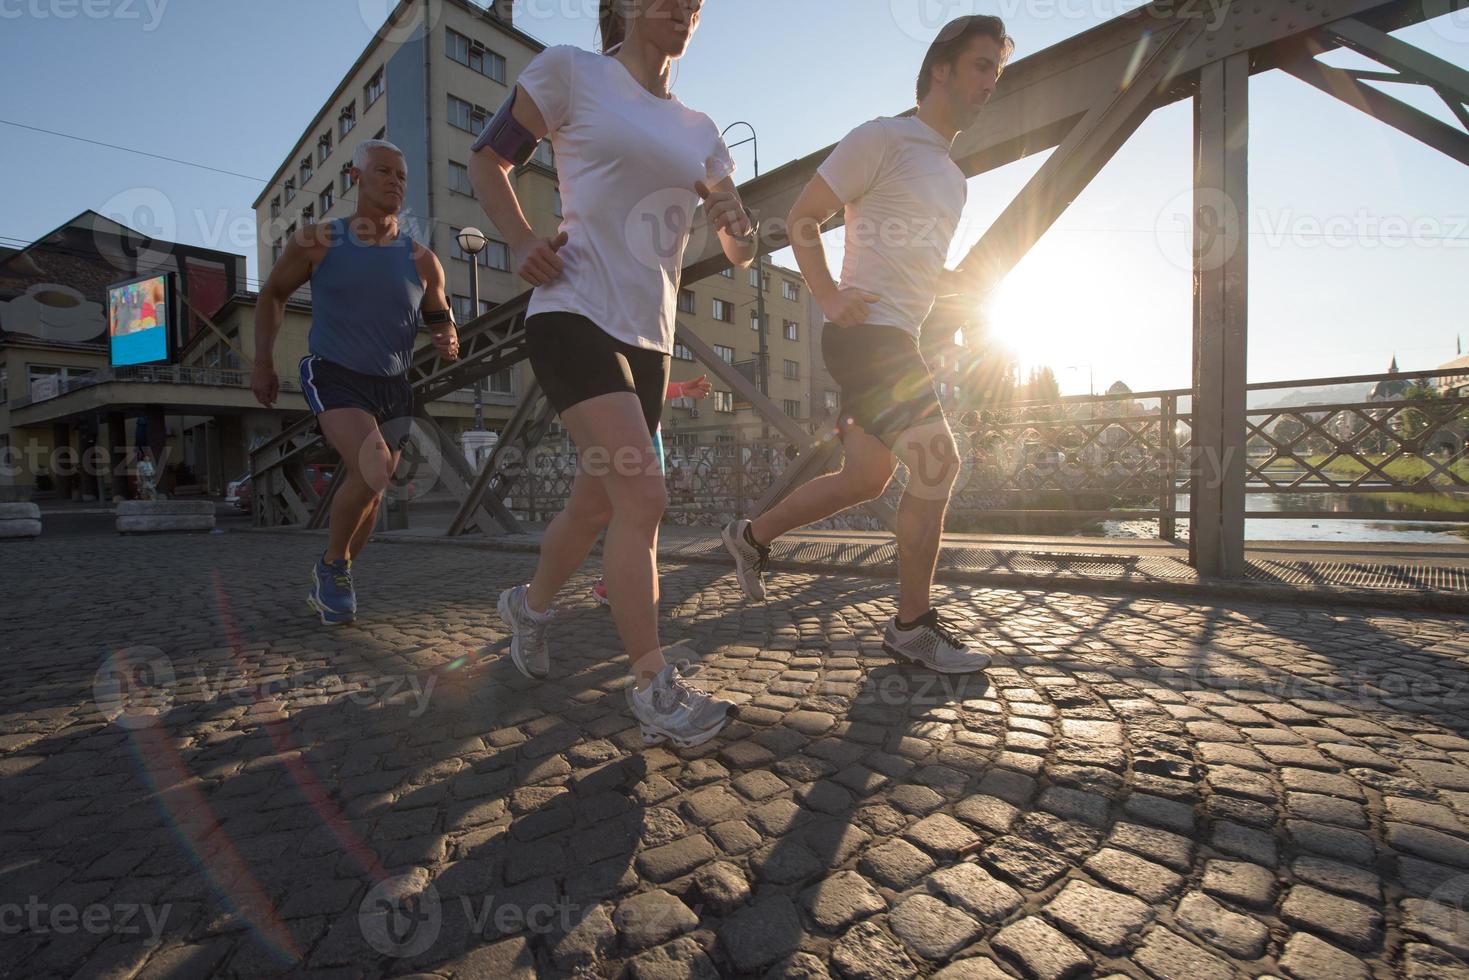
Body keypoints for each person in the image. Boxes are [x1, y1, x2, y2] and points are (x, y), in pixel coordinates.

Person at [469, 0, 757, 747]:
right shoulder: (570, 71)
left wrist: (738, 222)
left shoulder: (700, 131)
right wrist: (520, 237)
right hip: (571, 311)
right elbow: (489, 158)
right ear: (624, 6)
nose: (681, 9)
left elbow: (737, 250)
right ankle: (653, 685)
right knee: (644, 492)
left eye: (694, 2)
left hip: (648, 338)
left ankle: (528, 608)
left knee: (596, 505)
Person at [723, 15, 1013, 674]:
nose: (991, 82)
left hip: (899, 337)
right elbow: (802, 218)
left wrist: (954, 312)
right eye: (980, 66)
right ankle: (911, 627)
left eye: (998, 70)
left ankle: (750, 535)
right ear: (940, 68)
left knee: (865, 476)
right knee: (939, 465)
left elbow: (912, 266)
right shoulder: (881, 137)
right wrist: (825, 296)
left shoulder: (953, 177)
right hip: (865, 337)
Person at [252, 139, 460, 626]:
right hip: (334, 371)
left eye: (402, 175)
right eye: (384, 171)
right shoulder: (317, 240)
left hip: (393, 386)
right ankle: (331, 570)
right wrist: (263, 361)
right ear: (357, 178)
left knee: (376, 487)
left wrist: (446, 333)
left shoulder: (423, 259)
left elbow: (438, 316)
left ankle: (336, 568)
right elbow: (273, 295)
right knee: (373, 468)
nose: (395, 181)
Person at [591, 374, 712, 607]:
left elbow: (647, 383)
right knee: (622, 509)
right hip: (622, 428)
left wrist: (681, 390)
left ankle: (632, 579)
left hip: (647, 428)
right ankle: (613, 581)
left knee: (649, 507)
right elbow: (628, 381)